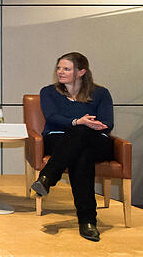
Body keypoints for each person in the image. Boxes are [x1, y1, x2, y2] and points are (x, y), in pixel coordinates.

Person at [30, 52, 115, 242]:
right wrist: (78, 121)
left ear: (81, 72)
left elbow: (108, 122)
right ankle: (87, 221)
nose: (60, 72)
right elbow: (52, 118)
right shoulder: (48, 92)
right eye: (59, 68)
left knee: (83, 134)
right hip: (59, 141)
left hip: (96, 140)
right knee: (82, 154)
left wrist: (88, 125)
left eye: (66, 69)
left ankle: (48, 176)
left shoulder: (101, 93)